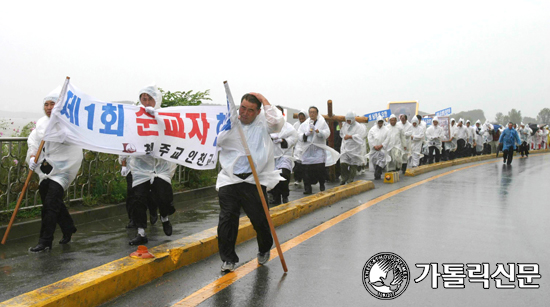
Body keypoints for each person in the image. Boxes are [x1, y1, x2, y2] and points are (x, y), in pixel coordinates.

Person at [216, 92, 284, 272]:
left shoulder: (264, 123)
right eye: (243, 108)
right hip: (230, 178)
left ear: (258, 111)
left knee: (260, 221)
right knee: (227, 218)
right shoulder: (231, 122)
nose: (245, 113)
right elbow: (215, 139)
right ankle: (228, 259)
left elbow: (277, 124)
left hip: (254, 179)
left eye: (250, 110)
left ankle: (264, 248)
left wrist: (264, 99)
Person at [26, 88, 83, 252]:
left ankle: (45, 242)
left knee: (50, 204)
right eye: (46, 104)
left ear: (59, 105)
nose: (49, 107)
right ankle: (68, 226)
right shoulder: (42, 123)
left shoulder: (68, 123)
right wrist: (32, 157)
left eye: (53, 103)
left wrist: (59, 131)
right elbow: (34, 140)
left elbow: (71, 140)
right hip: (46, 168)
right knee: (51, 200)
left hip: (64, 168)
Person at [128, 85, 177, 245]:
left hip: (161, 166)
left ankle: (164, 217)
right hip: (141, 166)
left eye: (150, 99)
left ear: (157, 100)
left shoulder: (165, 116)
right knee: (138, 200)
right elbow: (125, 137)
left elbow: (174, 136)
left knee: (163, 197)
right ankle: (141, 233)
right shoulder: (134, 116)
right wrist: (124, 158)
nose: (147, 102)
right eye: (144, 99)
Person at [297, 106, 339, 195]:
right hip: (307, 151)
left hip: (318, 150)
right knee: (306, 171)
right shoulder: (304, 124)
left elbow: (327, 133)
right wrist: (306, 134)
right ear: (308, 114)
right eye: (310, 112)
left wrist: (318, 131)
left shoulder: (322, 123)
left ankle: (322, 184)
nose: (312, 114)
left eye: (314, 112)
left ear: (317, 113)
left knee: (320, 169)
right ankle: (307, 188)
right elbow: (299, 135)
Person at [269, 106, 298, 205]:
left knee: (284, 175)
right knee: (274, 178)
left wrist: (283, 140)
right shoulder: (267, 127)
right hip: (272, 156)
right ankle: (276, 197)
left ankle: (285, 195)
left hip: (285, 155)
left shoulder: (289, 127)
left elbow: (294, 138)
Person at [119, 156, 158, 228]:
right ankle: (133, 219)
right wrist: (123, 165)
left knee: (148, 192)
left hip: (147, 168)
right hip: (131, 168)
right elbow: (123, 149)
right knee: (131, 193)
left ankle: (153, 210)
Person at [339, 111, 365, 184]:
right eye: (347, 120)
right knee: (343, 163)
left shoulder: (359, 127)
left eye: (350, 120)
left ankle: (350, 178)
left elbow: (361, 137)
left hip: (355, 148)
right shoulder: (345, 125)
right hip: (345, 147)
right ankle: (344, 177)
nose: (348, 122)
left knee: (354, 165)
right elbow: (342, 133)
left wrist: (351, 136)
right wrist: (340, 124)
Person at [292, 110, 307, 186]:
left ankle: (305, 179)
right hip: (298, 146)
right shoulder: (296, 125)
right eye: (300, 118)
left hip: (305, 146)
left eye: (302, 118)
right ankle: (297, 179)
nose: (301, 120)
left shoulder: (308, 124)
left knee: (305, 165)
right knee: (297, 164)